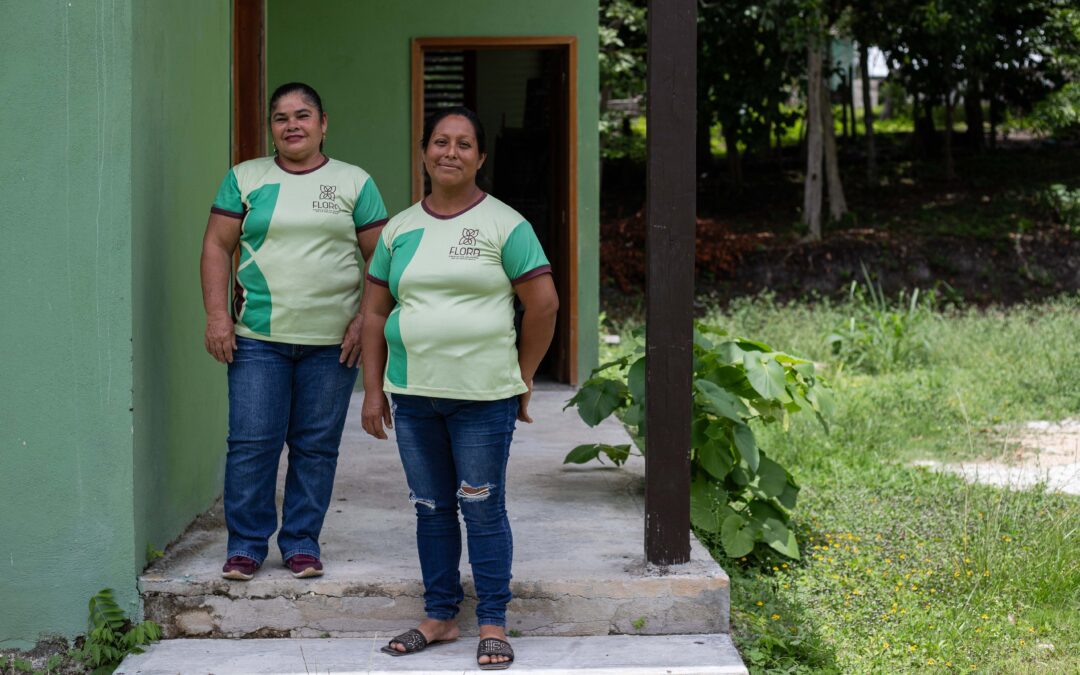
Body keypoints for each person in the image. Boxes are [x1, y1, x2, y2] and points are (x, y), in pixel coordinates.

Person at [360, 107, 558, 670]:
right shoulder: (399, 228)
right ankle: (441, 615)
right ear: (424, 152)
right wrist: (374, 390)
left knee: (482, 508)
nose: (451, 152)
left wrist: (523, 376)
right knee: (430, 507)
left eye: (464, 144)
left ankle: (493, 620)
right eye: (440, 142)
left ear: (480, 157)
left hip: (482, 399)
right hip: (413, 395)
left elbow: (542, 304)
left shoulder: (506, 224)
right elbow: (375, 312)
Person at [201, 82, 387, 581]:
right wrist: (217, 316)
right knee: (251, 443)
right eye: (281, 117)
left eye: (303, 115)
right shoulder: (245, 178)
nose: (292, 125)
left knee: (315, 446)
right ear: (271, 128)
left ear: (323, 123)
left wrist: (362, 319)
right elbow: (218, 246)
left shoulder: (354, 182)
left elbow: (381, 258)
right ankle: (245, 545)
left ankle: (302, 541)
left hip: (333, 344)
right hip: (258, 338)